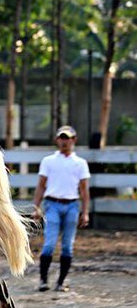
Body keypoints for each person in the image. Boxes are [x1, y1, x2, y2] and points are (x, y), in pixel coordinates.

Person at [31, 125, 91, 292]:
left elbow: (84, 189)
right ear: (57, 140)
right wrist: (36, 207)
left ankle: (60, 282)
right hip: (52, 204)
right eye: (62, 138)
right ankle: (43, 280)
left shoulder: (80, 163)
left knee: (67, 245)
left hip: (71, 205)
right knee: (49, 243)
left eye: (68, 138)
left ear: (74, 140)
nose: (65, 141)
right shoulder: (48, 161)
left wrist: (85, 212)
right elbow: (41, 186)